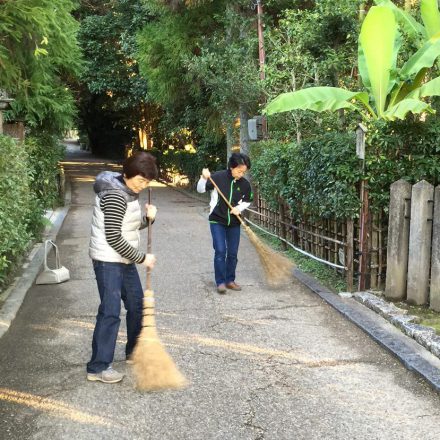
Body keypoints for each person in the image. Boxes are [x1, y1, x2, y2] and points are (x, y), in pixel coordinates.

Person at [86, 151, 158, 384]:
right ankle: (98, 367)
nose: (142, 185)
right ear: (127, 173)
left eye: (146, 182)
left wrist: (148, 218)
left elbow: (129, 227)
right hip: (108, 260)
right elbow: (114, 237)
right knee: (110, 310)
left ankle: (133, 351)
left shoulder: (127, 190)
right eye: (140, 180)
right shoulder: (115, 196)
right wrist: (142, 258)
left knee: (137, 304)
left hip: (123, 259)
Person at [197, 153, 253, 294]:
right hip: (217, 220)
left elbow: (248, 200)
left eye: (243, 172)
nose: (241, 174)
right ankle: (220, 282)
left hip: (234, 222)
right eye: (239, 171)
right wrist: (203, 178)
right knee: (221, 250)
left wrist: (238, 208)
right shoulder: (218, 177)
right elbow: (201, 189)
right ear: (231, 167)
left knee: (232, 253)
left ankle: (230, 280)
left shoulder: (244, 184)